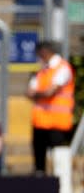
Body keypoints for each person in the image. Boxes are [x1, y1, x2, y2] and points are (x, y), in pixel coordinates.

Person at [26, 40, 75, 175]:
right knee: (39, 164)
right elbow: (29, 92)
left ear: (45, 52)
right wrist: (40, 94)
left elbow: (50, 91)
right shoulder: (41, 70)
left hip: (57, 123)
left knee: (58, 162)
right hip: (40, 122)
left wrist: (37, 94)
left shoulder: (62, 67)